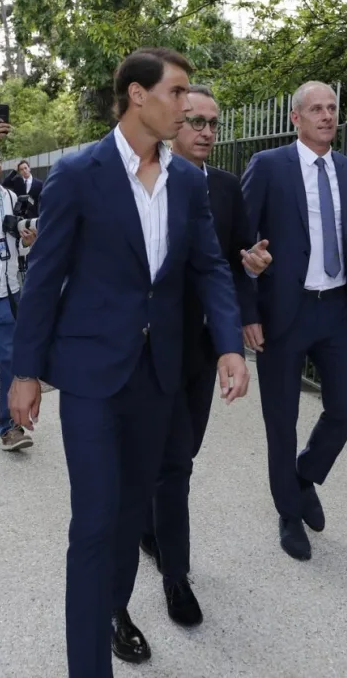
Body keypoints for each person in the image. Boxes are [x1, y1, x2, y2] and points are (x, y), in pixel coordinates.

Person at [8, 47, 249, 678]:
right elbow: (45, 277)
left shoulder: (187, 181)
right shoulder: (79, 174)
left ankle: (113, 610)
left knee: (127, 516)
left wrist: (229, 344)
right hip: (91, 375)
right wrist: (24, 373)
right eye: (176, 92)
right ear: (137, 96)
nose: (186, 106)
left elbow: (210, 266)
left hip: (158, 375)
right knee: (94, 522)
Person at [140, 84, 271, 626]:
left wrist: (251, 273)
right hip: (151, 347)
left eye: (213, 123)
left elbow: (236, 261)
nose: (207, 132)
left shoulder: (225, 186)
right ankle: (176, 575)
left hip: (202, 347)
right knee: (172, 462)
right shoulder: (146, 182)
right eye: (196, 121)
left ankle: (151, 523)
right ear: (174, 121)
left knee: (184, 452)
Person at [241, 80, 347, 561]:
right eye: (316, 109)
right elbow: (241, 244)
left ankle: (304, 475)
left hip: (335, 310)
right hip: (283, 312)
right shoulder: (268, 166)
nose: (327, 116)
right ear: (295, 118)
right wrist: (248, 312)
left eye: (332, 108)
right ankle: (288, 512)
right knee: (281, 419)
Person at [0, 151, 37, 453]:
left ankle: (9, 426)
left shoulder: (10, 197)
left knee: (10, 360)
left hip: (7, 291)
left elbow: (16, 246)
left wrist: (25, 240)